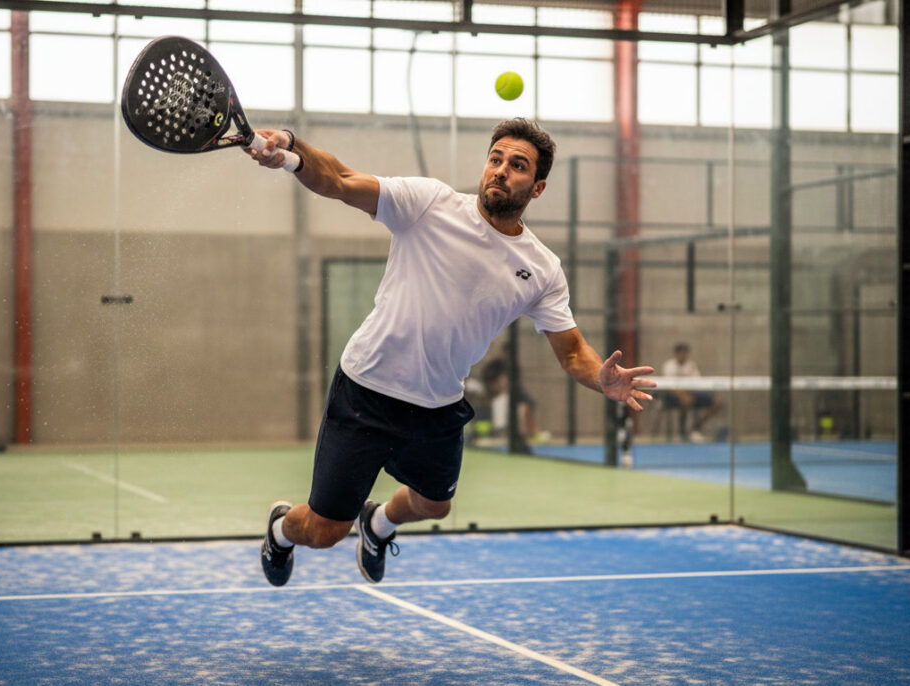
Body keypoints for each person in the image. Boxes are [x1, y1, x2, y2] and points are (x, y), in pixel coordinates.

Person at [247, 119, 655, 587]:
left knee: (433, 505)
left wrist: (599, 378)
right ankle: (280, 528)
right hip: (366, 392)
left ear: (537, 187)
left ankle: (377, 525)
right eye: (495, 159)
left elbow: (573, 351)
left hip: (437, 406)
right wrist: (293, 152)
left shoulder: (542, 269)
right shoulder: (428, 203)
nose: (500, 171)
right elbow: (339, 179)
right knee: (323, 532)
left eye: (517, 165)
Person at [660, 342, 723, 443]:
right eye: (681, 353)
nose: (683, 355)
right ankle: (683, 430)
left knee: (717, 403)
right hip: (673, 396)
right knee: (685, 400)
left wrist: (688, 392)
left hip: (691, 393)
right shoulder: (669, 366)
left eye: (685, 353)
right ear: (676, 354)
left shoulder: (691, 365)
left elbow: (696, 382)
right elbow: (669, 386)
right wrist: (682, 394)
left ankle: (696, 427)